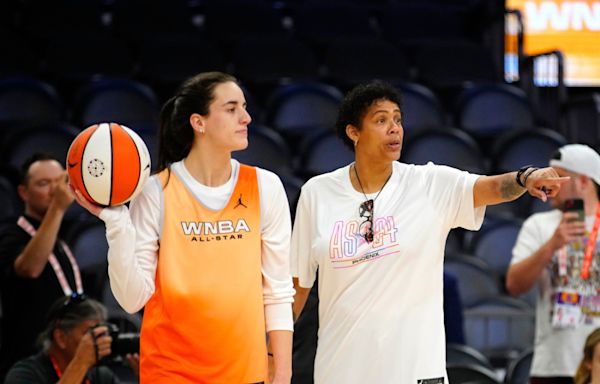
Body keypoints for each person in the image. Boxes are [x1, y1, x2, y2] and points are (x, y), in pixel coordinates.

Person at [290, 80, 567, 383]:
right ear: (353, 132)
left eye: (397, 119)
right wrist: (272, 355)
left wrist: (527, 177)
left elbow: (492, 187)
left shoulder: (429, 183)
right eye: (381, 120)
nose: (394, 128)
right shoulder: (317, 193)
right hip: (341, 372)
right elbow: (298, 285)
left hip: (417, 373)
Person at [73, 71, 294, 383]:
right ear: (198, 122)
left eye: (244, 107)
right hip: (170, 371)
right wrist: (116, 225)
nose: (246, 117)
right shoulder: (154, 192)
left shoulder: (265, 186)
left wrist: (282, 373)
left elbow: (278, 291)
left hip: (245, 373)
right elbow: (132, 299)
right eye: (231, 109)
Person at [507, 144, 600, 384]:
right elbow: (514, 285)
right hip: (553, 365)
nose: (548, 185)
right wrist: (552, 246)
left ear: (582, 181)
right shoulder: (538, 225)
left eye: (558, 177)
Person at [0, 153, 83, 381]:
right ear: (23, 193)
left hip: (63, 357)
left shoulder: (60, 236)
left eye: (60, 181)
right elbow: (30, 268)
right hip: (27, 362)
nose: (55, 190)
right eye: (44, 183)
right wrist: (57, 208)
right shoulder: (12, 232)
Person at [4, 293, 138, 384]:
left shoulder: (99, 376)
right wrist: (80, 363)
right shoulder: (25, 374)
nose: (99, 341)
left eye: (100, 333)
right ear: (61, 337)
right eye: (90, 333)